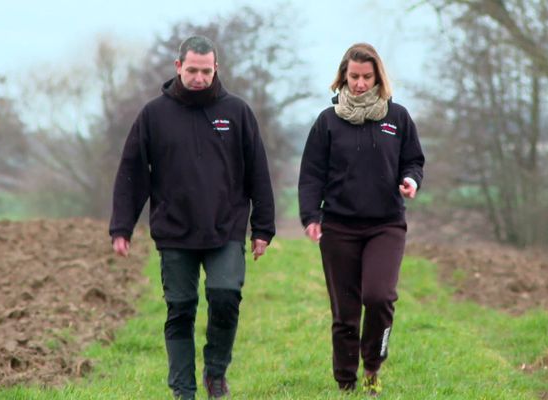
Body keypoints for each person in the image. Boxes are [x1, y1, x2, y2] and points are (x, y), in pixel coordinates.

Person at [109, 35, 275, 400]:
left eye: (206, 70)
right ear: (178, 67)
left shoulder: (237, 112)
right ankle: (183, 390)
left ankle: (215, 374)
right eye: (192, 70)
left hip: (226, 227)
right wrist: (122, 227)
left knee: (226, 295)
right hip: (174, 230)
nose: (199, 77)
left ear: (216, 68)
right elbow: (132, 173)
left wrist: (262, 228)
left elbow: (258, 173)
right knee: (181, 308)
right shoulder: (153, 115)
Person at [298, 43, 424, 397]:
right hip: (338, 226)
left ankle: (373, 365)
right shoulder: (327, 122)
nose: (359, 83)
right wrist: (311, 216)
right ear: (343, 76)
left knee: (379, 296)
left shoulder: (397, 118)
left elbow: (414, 161)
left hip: (386, 224)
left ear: (378, 78)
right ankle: (345, 382)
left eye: (366, 77)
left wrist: (411, 180)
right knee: (346, 311)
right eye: (353, 76)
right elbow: (311, 175)